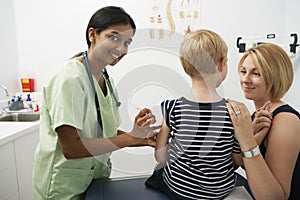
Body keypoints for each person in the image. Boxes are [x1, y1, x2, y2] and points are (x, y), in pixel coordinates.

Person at [32, 6, 161, 199]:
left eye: (127, 42)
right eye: (114, 38)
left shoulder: (105, 79)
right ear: (93, 34)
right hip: (62, 186)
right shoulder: (71, 78)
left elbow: (103, 132)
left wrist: (144, 139)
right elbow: (71, 147)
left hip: (92, 180)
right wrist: (131, 137)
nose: (121, 49)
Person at [145, 29, 242, 199]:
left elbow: (160, 156)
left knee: (159, 171)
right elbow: (237, 160)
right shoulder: (232, 112)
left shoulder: (171, 107)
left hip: (180, 191)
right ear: (221, 64)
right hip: (217, 193)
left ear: (186, 66)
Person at [227, 43, 300, 199]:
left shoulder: (286, 120)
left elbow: (275, 197)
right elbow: (230, 165)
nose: (245, 80)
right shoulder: (255, 117)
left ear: (275, 76)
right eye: (243, 71)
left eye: (256, 73)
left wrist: (247, 140)